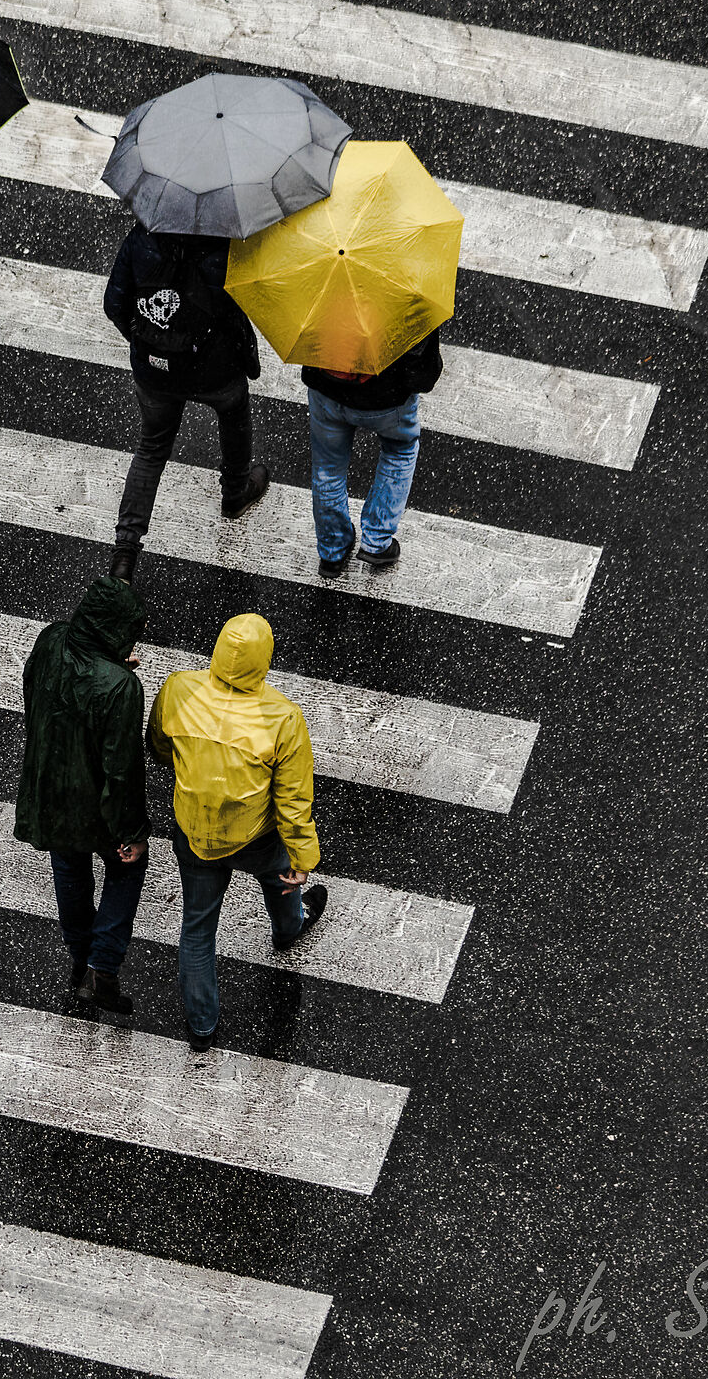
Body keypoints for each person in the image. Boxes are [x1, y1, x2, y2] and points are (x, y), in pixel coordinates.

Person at [147, 613, 328, 1051]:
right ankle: (289, 929)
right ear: (265, 659)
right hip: (256, 835)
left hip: (195, 831)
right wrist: (305, 858)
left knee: (198, 926)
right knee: (280, 875)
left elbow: (159, 747)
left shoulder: (178, 689)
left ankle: (202, 1026)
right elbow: (293, 799)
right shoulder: (283, 719)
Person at [101, 225, 270, 583]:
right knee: (234, 412)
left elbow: (114, 305)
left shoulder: (141, 238)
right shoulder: (227, 248)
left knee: (151, 448)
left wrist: (150, 342)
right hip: (215, 370)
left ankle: (125, 552)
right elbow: (242, 313)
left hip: (155, 372)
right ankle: (235, 492)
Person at [14, 577, 152, 1014]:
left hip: (50, 792)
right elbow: (122, 768)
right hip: (99, 807)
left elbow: (34, 695)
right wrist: (132, 831)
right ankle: (102, 969)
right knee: (127, 868)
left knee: (69, 870)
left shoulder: (52, 638)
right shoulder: (121, 689)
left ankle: (80, 960)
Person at [305, 330, 442, 575]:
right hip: (386, 395)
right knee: (400, 450)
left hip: (327, 384)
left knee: (327, 466)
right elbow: (422, 368)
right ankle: (377, 542)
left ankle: (332, 550)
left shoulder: (324, 290)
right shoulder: (406, 291)